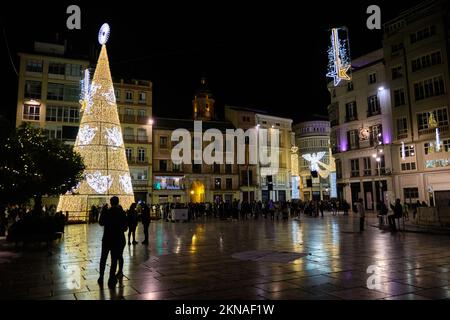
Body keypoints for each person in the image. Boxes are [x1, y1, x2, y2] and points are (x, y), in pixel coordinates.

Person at [98, 196, 128, 288]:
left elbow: (101, 223)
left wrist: (103, 210)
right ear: (118, 202)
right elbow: (125, 228)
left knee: (103, 258)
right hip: (117, 239)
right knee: (114, 259)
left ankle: (101, 276)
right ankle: (111, 278)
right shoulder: (122, 213)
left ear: (111, 203)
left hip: (107, 238)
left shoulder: (107, 211)